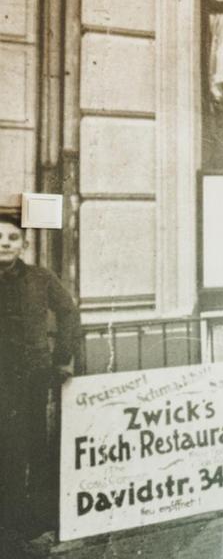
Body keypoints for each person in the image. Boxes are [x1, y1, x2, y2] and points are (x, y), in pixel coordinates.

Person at [0, 211, 80, 555]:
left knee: (32, 448)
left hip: (32, 377)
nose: (4, 243)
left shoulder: (40, 278)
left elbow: (68, 311)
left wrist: (61, 357)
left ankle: (28, 525)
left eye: (12, 238)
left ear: (24, 245)